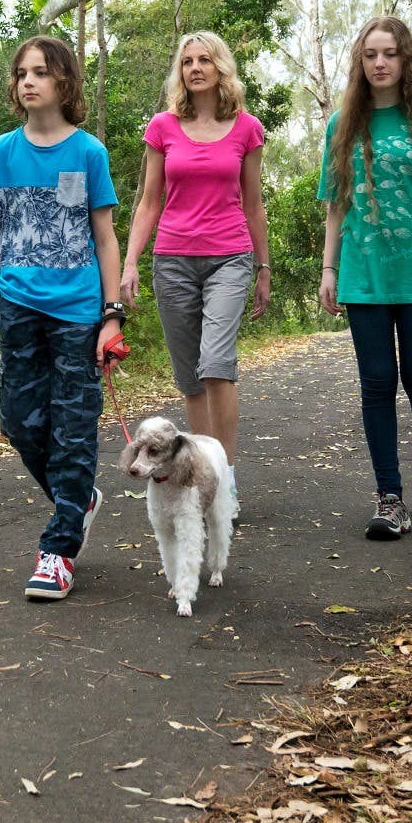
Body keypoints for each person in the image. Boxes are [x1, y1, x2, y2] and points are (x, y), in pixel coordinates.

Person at [0, 35, 127, 601]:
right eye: (20, 73)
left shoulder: (88, 153)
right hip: (16, 306)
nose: (27, 81)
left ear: (64, 82)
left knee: (73, 426)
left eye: (40, 71)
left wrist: (112, 317)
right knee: (18, 421)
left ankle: (58, 550)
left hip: (77, 313)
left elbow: (106, 240)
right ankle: (78, 497)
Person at [315, 15, 412, 540]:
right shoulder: (344, 125)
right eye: (369, 55)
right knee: (377, 384)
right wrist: (329, 268)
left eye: (389, 53)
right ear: (360, 64)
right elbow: (337, 206)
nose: (379, 63)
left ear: (404, 59)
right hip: (366, 276)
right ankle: (389, 498)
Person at [120, 32, 269, 516]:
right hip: (173, 259)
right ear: (180, 71)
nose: (196, 68)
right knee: (191, 377)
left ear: (220, 68)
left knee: (216, 363)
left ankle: (223, 478)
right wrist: (130, 264)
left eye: (205, 60)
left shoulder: (246, 128)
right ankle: (199, 476)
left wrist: (262, 268)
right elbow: (149, 202)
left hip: (230, 256)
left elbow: (253, 204)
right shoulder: (163, 127)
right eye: (187, 61)